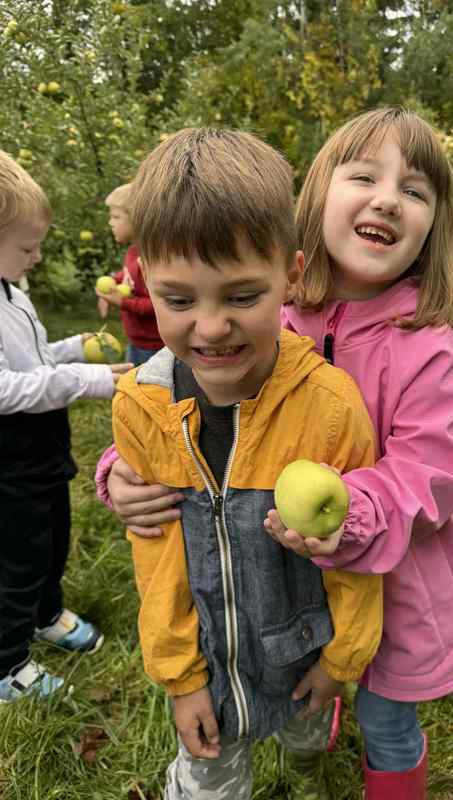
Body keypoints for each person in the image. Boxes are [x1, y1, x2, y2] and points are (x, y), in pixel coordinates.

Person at [96, 108, 453, 800]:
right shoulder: (270, 312)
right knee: (316, 667)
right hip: (292, 573)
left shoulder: (426, 344)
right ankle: (319, 702)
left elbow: (438, 471)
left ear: (435, 224)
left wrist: (354, 517)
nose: (388, 198)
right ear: (317, 198)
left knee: (388, 717)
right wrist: (121, 472)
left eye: (416, 190)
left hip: (400, 580)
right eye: (364, 175)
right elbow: (182, 411)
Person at [108, 127, 383, 799]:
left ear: (289, 275)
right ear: (145, 279)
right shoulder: (142, 408)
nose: (209, 327)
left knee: (307, 741)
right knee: (208, 783)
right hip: (208, 671)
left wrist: (341, 661)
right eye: (178, 300)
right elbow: (158, 557)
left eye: (240, 296)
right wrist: (180, 678)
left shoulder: (330, 404)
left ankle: (312, 760)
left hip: (302, 656)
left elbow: (351, 552)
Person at [0, 150, 132, 703]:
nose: (35, 257)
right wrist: (92, 379)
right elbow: (6, 388)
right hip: (9, 457)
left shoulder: (13, 293)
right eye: (27, 247)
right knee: (17, 555)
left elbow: (32, 360)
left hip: (43, 448)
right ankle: (6, 664)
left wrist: (70, 348)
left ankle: (46, 613)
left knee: (53, 534)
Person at [95, 183, 164, 366]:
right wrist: (113, 280)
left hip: (154, 345)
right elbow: (128, 275)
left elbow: (157, 303)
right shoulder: (134, 252)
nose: (110, 222)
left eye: (116, 217)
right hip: (137, 339)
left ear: (137, 220)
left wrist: (122, 302)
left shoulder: (152, 259)